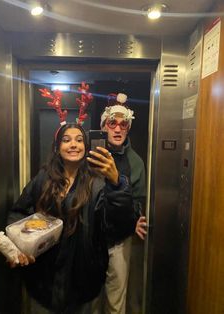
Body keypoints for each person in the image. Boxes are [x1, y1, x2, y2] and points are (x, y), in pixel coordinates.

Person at [7, 123, 135, 314]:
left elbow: (120, 226)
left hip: (84, 279)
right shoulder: (43, 178)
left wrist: (117, 184)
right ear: (58, 148)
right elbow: (19, 213)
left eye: (79, 140)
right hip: (44, 279)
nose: (73, 144)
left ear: (86, 146)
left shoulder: (98, 183)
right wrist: (19, 246)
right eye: (66, 140)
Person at [92, 93, 147, 314]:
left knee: (116, 301)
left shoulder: (135, 161)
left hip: (119, 239)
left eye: (123, 124)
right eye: (112, 123)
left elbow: (138, 199)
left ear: (128, 128)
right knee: (90, 298)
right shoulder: (90, 154)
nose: (117, 129)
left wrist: (134, 219)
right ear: (103, 126)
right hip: (90, 238)